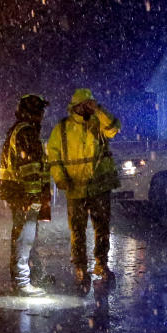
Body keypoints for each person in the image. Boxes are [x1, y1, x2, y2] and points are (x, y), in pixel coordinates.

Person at [46, 88, 121, 290]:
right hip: (75, 188)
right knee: (77, 231)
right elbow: (53, 155)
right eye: (85, 104)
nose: (88, 107)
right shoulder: (62, 128)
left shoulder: (98, 122)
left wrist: (99, 110)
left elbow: (114, 128)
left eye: (91, 103)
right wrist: (60, 178)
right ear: (76, 106)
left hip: (99, 187)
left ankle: (101, 264)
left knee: (102, 229)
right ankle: (80, 267)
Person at [0, 93, 52, 296]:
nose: (42, 115)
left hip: (19, 193)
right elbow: (29, 167)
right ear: (34, 112)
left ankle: (33, 275)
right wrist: (32, 197)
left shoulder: (22, 130)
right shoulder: (26, 132)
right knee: (25, 236)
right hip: (24, 194)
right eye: (40, 111)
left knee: (28, 235)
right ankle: (22, 282)